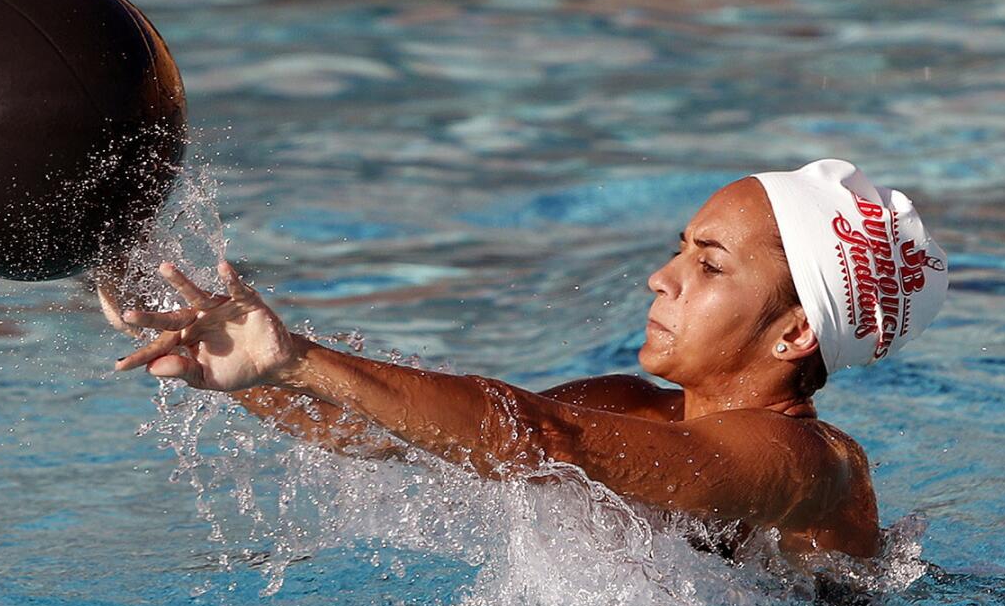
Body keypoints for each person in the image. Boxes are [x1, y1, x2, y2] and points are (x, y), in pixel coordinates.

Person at [102, 159, 948, 561]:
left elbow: (545, 439)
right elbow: (388, 437)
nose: (662, 277)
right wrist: (236, 364)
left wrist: (299, 357)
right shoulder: (633, 405)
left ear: (795, 333)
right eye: (680, 249)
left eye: (710, 264)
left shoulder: (807, 463)